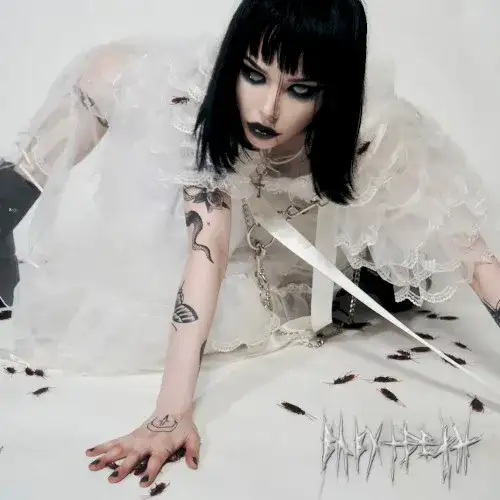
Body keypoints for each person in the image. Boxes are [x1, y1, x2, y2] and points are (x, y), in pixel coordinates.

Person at [1, 0, 500, 488]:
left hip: (311, 223)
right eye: (253, 75)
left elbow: (476, 259)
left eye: (299, 89)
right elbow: (210, 247)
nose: (268, 109)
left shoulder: (377, 134)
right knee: (101, 77)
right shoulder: (190, 109)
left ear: (332, 92)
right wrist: (169, 415)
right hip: (130, 93)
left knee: (381, 275)